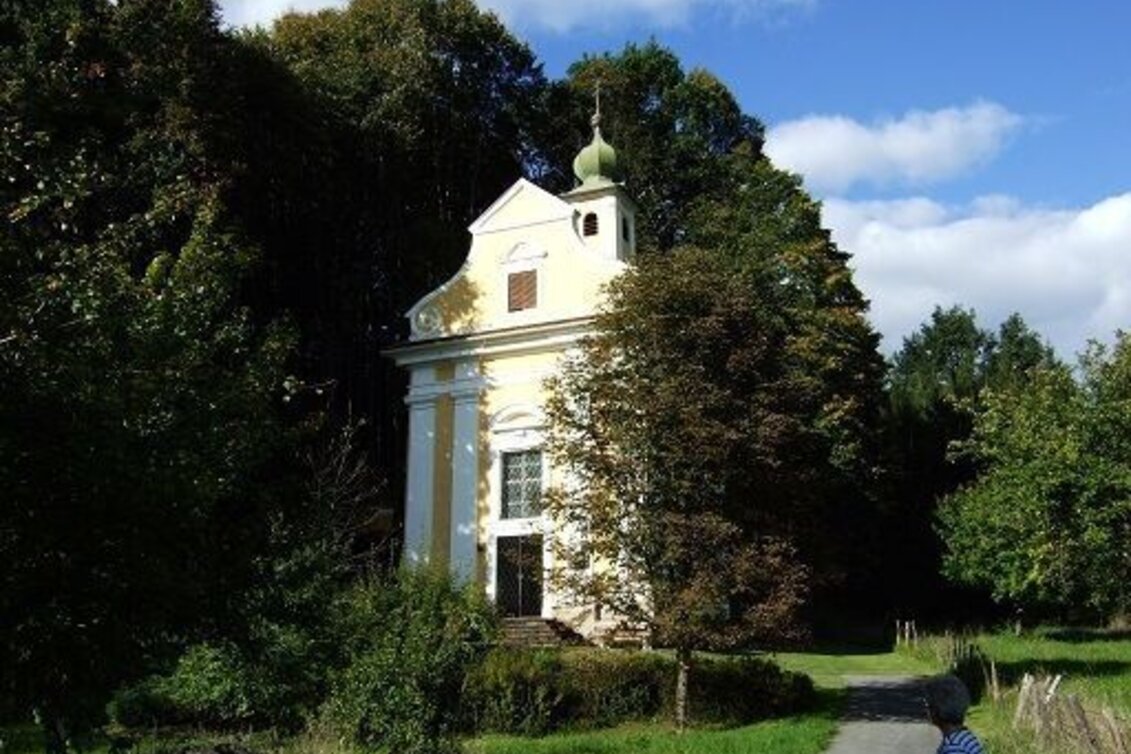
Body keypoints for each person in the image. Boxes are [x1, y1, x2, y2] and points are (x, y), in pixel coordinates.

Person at [924, 674, 985, 754]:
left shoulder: (954, 748)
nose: (926, 709)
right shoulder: (966, 737)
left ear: (937, 711)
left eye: (928, 705)